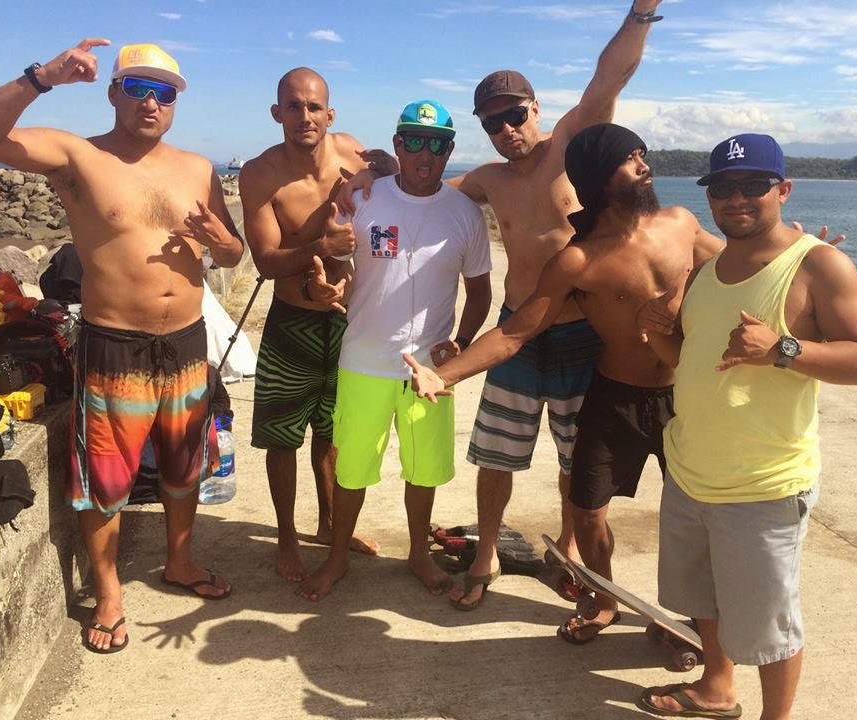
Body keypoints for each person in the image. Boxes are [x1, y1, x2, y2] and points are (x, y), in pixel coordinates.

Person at [340, 0, 667, 610]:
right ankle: (486, 550)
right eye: (493, 123)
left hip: (579, 332)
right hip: (516, 330)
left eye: (515, 115)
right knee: (496, 455)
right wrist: (376, 171)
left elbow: (609, 79)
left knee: (576, 455)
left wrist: (641, 14)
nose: (507, 129)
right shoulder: (488, 179)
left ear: (536, 108)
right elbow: (422, 188)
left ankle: (568, 549)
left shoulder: (569, 147)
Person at [404, 123, 722, 623]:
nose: (644, 166)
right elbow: (516, 331)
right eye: (629, 159)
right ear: (598, 177)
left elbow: (735, 267)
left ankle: (701, 619)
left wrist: (797, 256)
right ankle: (605, 601)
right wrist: (444, 376)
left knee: (696, 513)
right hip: (615, 396)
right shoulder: (578, 260)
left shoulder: (680, 223)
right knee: (589, 512)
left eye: (642, 154)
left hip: (682, 395)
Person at [0, 40, 243, 653]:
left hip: (187, 343)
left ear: (175, 102)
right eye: (137, 88)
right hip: (115, 345)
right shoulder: (78, 156)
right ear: (113, 93)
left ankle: (179, 561)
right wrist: (42, 77)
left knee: (185, 466)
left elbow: (233, 253)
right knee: (104, 478)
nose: (151, 102)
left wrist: (221, 242)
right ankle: (108, 594)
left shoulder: (199, 168)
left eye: (164, 92)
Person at [637, 134, 857, 720]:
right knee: (704, 599)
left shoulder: (819, 265)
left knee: (771, 625)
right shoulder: (708, 270)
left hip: (764, 484)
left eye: (753, 186)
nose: (736, 199)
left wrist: (783, 349)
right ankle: (717, 687)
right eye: (722, 188)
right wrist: (655, 333)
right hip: (691, 471)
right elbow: (694, 360)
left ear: (784, 189)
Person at [298, 99, 492, 601]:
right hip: (364, 360)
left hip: (430, 370)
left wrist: (462, 343)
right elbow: (336, 259)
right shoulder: (363, 198)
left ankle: (418, 554)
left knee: (423, 469)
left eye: (437, 144)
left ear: (450, 150)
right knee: (352, 468)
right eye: (414, 141)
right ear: (398, 145)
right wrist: (328, 282)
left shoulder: (465, 214)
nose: (425, 153)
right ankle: (337, 557)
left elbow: (481, 292)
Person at [239, 68, 389, 583]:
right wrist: (319, 248)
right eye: (293, 106)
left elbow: (395, 176)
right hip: (292, 323)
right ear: (276, 112)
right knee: (283, 438)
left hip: (348, 323)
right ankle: (286, 536)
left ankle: (329, 526)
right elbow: (266, 261)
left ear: (330, 113)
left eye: (313, 106)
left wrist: (383, 169)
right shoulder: (260, 174)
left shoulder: (352, 151)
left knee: (334, 432)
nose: (304, 116)